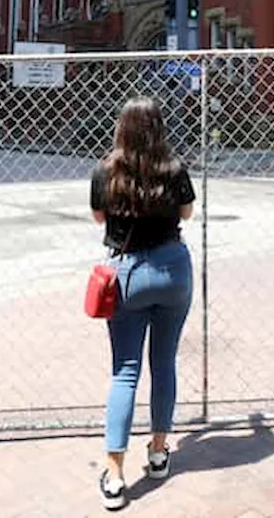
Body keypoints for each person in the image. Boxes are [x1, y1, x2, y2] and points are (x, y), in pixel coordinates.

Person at [89, 96, 196, 511]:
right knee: (164, 363)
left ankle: (115, 475)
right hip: (173, 269)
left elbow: (100, 218)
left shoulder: (106, 169)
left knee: (125, 371)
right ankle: (157, 453)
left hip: (128, 274)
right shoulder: (174, 168)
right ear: (159, 129)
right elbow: (186, 212)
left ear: (122, 128)